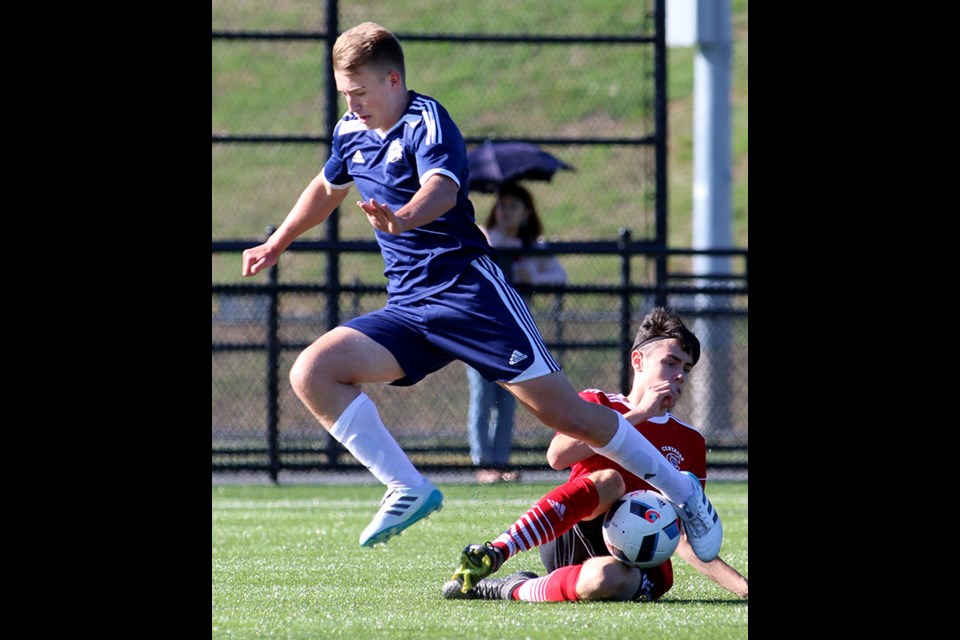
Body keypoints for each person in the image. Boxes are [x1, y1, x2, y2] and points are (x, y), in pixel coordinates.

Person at [239, 22, 722, 560]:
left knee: (568, 417)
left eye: (359, 93)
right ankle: (407, 486)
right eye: (344, 94)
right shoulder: (350, 130)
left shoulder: (428, 120)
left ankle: (685, 494)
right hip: (410, 308)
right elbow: (328, 187)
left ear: (393, 80)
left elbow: (442, 190)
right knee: (313, 371)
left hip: (471, 296)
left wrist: (402, 218)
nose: (351, 104)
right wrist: (278, 241)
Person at [444, 307, 747, 601]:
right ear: (638, 361)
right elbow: (557, 456)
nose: (680, 375)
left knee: (607, 579)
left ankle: (513, 588)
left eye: (686, 369)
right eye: (671, 362)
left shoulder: (690, 441)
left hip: (635, 559)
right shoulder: (597, 404)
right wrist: (637, 415)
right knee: (611, 481)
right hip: (572, 533)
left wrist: (743, 588)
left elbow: (684, 533)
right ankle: (497, 551)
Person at [467, 181, 567, 483]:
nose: (506, 212)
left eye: (513, 207)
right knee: (482, 398)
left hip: (518, 334)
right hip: (483, 330)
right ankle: (482, 465)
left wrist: (531, 274)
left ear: (526, 212)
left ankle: (500, 462)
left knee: (511, 399)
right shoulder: (485, 237)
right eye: (502, 205)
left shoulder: (532, 246)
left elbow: (559, 275)